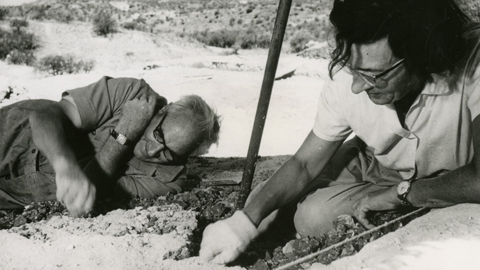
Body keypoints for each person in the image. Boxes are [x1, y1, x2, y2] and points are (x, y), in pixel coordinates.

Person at [200, 0, 480, 264]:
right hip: (378, 163)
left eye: (374, 75)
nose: (358, 86)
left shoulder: (474, 62)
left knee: (313, 217)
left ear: (423, 52)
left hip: (453, 176)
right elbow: (304, 163)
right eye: (352, 69)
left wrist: (400, 194)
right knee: (264, 200)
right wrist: (241, 225)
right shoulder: (351, 74)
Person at [0, 76, 220, 217]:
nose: (152, 151)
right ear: (163, 110)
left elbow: (93, 188)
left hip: (17, 194)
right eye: (159, 135)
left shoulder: (169, 180)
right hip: (14, 134)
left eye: (169, 153)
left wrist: (124, 134)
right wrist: (64, 165)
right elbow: (45, 115)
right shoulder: (132, 93)